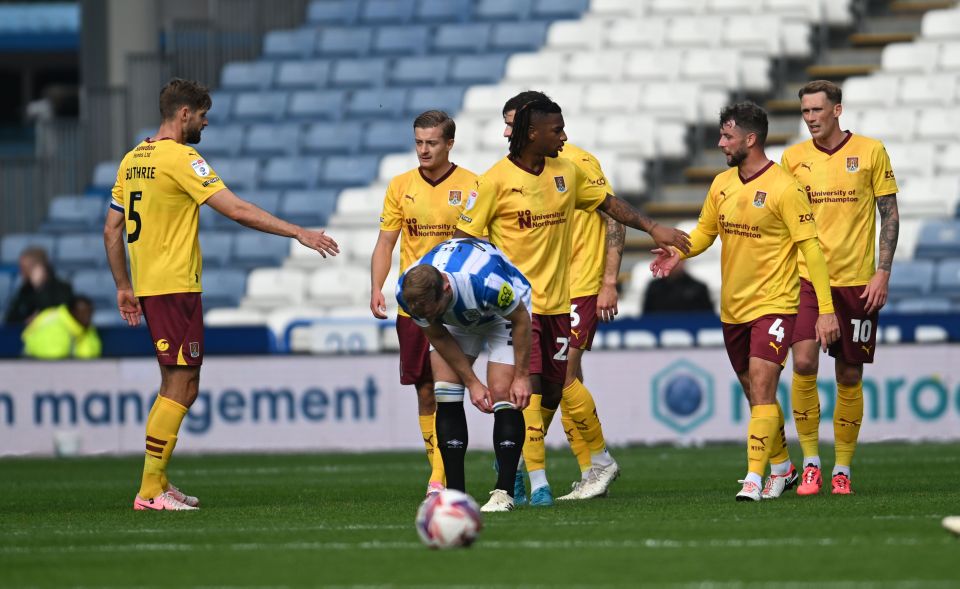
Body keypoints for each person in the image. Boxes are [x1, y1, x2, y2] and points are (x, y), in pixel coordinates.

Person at [104, 78, 338, 511]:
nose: (206, 122)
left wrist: (123, 285)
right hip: (173, 285)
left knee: (178, 382)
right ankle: (150, 490)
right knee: (182, 383)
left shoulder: (132, 158)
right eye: (202, 114)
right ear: (184, 114)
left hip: (155, 285)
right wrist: (298, 232)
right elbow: (235, 208)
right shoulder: (181, 157)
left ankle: (158, 481)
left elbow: (112, 228)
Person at [455, 95, 691, 505]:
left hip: (561, 304)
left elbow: (607, 206)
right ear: (532, 134)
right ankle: (520, 482)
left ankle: (530, 471)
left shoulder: (569, 169)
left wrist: (653, 227)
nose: (564, 136)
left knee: (550, 390)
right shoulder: (493, 181)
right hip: (518, 310)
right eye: (556, 129)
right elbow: (463, 238)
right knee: (524, 390)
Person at [650, 102, 840, 502]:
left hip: (775, 303)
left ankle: (754, 479)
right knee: (757, 394)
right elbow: (705, 232)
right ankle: (782, 468)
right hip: (733, 308)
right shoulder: (721, 184)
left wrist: (825, 310)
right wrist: (679, 252)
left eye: (727, 137)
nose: (721, 144)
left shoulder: (785, 188)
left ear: (750, 140)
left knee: (762, 382)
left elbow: (813, 252)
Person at [500, 91, 625, 502]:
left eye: (512, 122)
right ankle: (551, 466)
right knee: (547, 385)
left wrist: (609, 281)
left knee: (564, 377)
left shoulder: (578, 164)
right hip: (540, 293)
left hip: (580, 285)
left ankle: (594, 464)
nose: (506, 131)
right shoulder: (517, 174)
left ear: (530, 128)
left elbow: (612, 217)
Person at [781, 80, 900, 496]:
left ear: (837, 111)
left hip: (857, 282)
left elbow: (890, 213)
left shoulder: (870, 151)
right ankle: (811, 462)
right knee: (803, 364)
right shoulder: (792, 158)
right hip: (807, 281)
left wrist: (882, 271)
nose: (810, 118)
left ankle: (842, 468)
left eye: (817, 110)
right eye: (805, 111)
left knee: (849, 374)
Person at [370, 111, 478, 497]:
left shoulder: (472, 185)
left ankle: (439, 477)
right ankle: (441, 471)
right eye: (418, 142)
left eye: (431, 142)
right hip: (412, 305)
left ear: (449, 143)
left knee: (448, 387)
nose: (424, 150)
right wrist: (377, 287)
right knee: (425, 391)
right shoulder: (401, 185)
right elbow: (386, 242)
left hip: (453, 303)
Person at [396, 238, 532, 512]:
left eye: (431, 310)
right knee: (445, 388)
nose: (426, 315)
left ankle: (505, 491)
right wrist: (471, 382)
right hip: (456, 319)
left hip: (503, 316)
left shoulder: (487, 283)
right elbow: (437, 332)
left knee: (502, 391)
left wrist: (522, 375)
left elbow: (521, 320)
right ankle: (456, 495)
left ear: (445, 288)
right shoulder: (408, 293)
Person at [4, 247, 73, 325]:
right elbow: (9, 320)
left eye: (24, 267)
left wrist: (39, 287)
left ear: (39, 268)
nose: (21, 271)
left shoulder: (63, 288)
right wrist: (24, 322)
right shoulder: (25, 290)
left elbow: (55, 315)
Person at [21, 295, 101, 359]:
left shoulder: (85, 328)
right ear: (72, 312)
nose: (87, 316)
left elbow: (90, 356)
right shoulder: (54, 329)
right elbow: (52, 369)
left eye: (89, 312)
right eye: (82, 312)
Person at [642, 258, 713, 314]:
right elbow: (647, 316)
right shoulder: (654, 287)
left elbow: (707, 317)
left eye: (677, 259)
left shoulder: (698, 288)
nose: (673, 263)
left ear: (684, 261)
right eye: (669, 258)